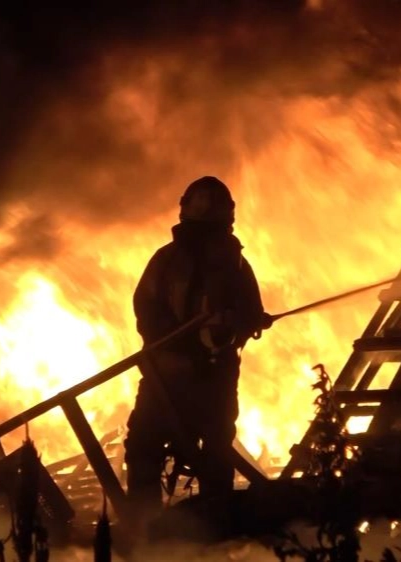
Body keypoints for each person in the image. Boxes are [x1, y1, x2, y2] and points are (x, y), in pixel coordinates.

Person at [123, 176, 271, 522]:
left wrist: (248, 321)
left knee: (156, 446)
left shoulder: (183, 261)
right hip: (184, 376)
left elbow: (146, 309)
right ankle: (187, 528)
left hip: (186, 378)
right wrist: (180, 343)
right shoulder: (213, 263)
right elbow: (147, 311)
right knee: (205, 449)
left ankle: (150, 529)